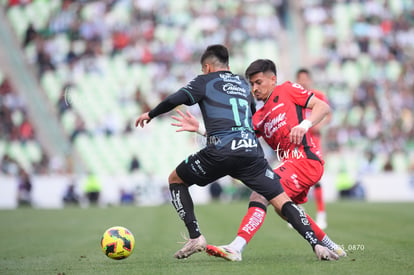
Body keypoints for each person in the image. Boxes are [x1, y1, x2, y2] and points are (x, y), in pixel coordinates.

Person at [135, 45, 338, 261]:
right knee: (281, 201)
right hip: (251, 153)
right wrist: (201, 129)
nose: (255, 87)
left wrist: (151, 113)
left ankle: (196, 236)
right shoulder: (242, 85)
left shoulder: (205, 80)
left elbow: (175, 99)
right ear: (229, 67)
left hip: (222, 151)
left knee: (175, 180)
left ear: (206, 67)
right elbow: (245, 125)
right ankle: (319, 246)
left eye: (258, 83)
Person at [296, 68, 331, 229]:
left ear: (310, 80)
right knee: (296, 176)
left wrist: (320, 125)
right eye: (300, 79)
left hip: (314, 141)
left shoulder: (318, 96)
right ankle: (298, 211)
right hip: (298, 141)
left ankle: (321, 214)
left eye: (305, 79)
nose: (303, 82)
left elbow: (328, 114)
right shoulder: (295, 97)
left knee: (316, 178)